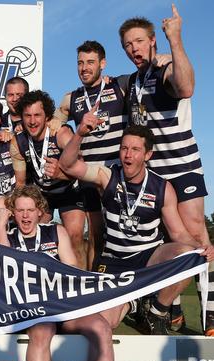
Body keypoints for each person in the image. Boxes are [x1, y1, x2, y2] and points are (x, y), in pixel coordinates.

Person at [60, 122, 214, 334]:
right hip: (114, 262)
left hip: (148, 258)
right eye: (124, 148)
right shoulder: (108, 177)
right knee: (107, 322)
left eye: (135, 149)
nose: (128, 155)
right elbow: (67, 165)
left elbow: (178, 233)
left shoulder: (162, 187)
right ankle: (134, 301)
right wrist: (79, 133)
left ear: (148, 155)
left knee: (189, 255)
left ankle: (157, 312)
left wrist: (201, 246)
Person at [119, 7, 214, 333]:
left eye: (139, 42)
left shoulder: (166, 66)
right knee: (165, 242)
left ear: (152, 41)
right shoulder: (133, 81)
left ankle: (211, 312)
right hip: (154, 175)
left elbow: (185, 88)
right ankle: (170, 311)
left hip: (182, 166)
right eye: (128, 45)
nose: (134, 49)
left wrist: (176, 39)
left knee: (197, 236)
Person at [0, 185, 113, 361]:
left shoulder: (55, 232)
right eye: (20, 210)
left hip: (60, 306)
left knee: (101, 328)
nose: (25, 215)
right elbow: (2, 264)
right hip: (30, 310)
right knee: (43, 331)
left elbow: (71, 270)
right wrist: (0, 226)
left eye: (30, 210)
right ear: (13, 213)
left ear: (40, 212)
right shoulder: (8, 238)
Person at [53, 40, 129, 270]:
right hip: (87, 176)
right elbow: (54, 126)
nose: (84, 68)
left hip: (116, 175)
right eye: (80, 63)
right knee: (95, 234)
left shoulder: (120, 87)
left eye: (90, 62)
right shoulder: (71, 98)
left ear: (102, 64)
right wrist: (66, 136)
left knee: (122, 235)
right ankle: (93, 288)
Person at [10, 90, 88, 269]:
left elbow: (81, 167)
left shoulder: (60, 134)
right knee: (33, 237)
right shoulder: (17, 142)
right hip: (42, 194)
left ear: (47, 117)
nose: (32, 121)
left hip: (69, 190)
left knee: (75, 236)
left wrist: (61, 173)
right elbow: (20, 183)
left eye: (37, 115)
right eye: (27, 115)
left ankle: (82, 287)